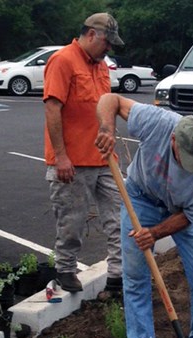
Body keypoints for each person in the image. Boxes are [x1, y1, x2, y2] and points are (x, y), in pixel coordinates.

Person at [94, 93, 193, 338]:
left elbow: (191, 216)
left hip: (179, 212)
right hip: (140, 199)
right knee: (136, 274)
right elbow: (110, 100)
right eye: (186, 157)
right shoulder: (158, 122)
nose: (192, 165)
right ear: (174, 140)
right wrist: (106, 129)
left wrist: (154, 233)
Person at [43, 12, 125, 294]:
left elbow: (107, 106)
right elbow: (52, 109)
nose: (109, 49)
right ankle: (65, 269)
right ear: (91, 34)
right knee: (72, 221)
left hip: (103, 158)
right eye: (107, 42)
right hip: (72, 160)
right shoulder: (63, 60)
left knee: (119, 214)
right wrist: (61, 156)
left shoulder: (101, 66)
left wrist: (108, 132)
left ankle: (118, 274)